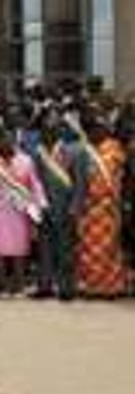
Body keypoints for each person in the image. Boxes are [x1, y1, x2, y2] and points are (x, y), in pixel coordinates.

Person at [0, 130, 47, 297]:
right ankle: (3, 287)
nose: (6, 145)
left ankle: (19, 287)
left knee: (20, 250)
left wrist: (39, 205)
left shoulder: (26, 161)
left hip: (20, 209)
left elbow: (34, 184)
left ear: (15, 143)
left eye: (9, 141)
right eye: (2, 141)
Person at [72, 114, 127, 299]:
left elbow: (122, 178)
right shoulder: (84, 151)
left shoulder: (115, 149)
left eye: (99, 130)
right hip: (89, 207)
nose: (95, 133)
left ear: (105, 130)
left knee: (109, 248)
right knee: (89, 248)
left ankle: (111, 287)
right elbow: (79, 181)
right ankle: (91, 287)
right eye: (91, 131)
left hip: (109, 205)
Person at [32, 113, 79, 300]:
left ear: (59, 132)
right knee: (44, 250)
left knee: (65, 250)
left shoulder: (72, 152)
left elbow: (80, 183)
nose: (47, 134)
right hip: (44, 208)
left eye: (52, 130)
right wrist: (36, 207)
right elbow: (33, 182)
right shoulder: (36, 153)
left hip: (65, 208)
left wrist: (74, 208)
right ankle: (45, 285)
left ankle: (66, 287)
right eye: (44, 130)